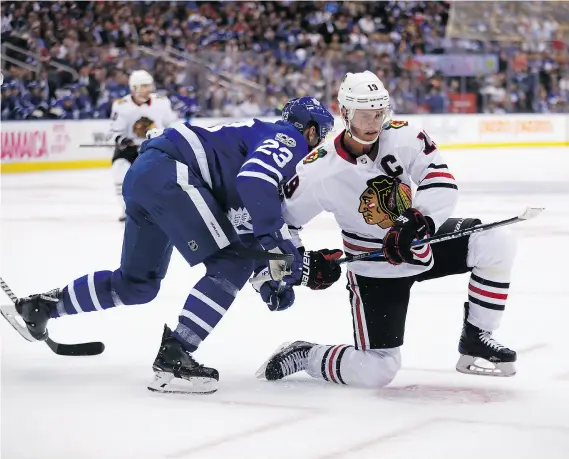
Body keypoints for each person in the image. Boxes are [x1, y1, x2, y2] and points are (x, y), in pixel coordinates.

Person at [11, 96, 335, 394]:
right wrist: (283, 253)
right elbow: (255, 185)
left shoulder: (265, 157)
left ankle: (44, 306)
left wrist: (272, 281)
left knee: (137, 285)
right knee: (231, 263)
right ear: (309, 130)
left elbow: (252, 239)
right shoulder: (287, 139)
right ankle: (175, 356)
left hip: (150, 175)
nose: (318, 147)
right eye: (321, 136)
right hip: (172, 173)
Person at [255, 71, 518, 388]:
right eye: (366, 114)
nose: (374, 122)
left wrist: (419, 218)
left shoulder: (405, 136)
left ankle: (477, 337)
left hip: (421, 241)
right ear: (345, 113)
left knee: (495, 240)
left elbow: (440, 179)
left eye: (380, 113)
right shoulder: (319, 170)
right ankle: (306, 355)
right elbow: (281, 224)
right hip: (374, 268)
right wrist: (297, 266)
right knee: (376, 371)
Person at [109, 70, 178, 221]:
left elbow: (171, 124)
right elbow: (114, 131)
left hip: (154, 148)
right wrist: (122, 140)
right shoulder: (121, 106)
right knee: (120, 170)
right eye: (144, 86)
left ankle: (157, 208)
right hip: (129, 150)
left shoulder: (161, 102)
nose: (149, 89)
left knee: (158, 180)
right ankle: (126, 209)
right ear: (134, 88)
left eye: (149, 85)